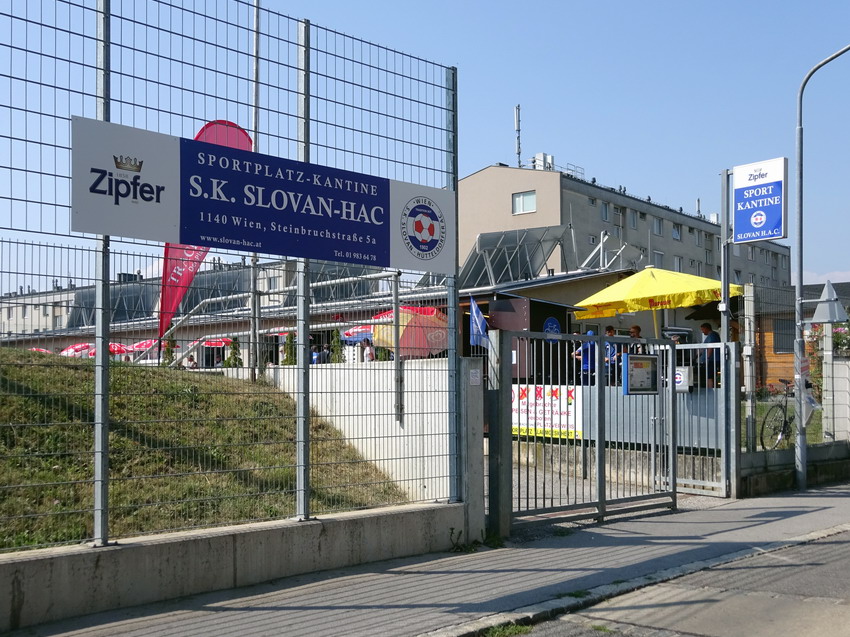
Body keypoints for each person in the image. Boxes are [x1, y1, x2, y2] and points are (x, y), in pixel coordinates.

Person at [698, 322, 721, 388]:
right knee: (710, 376)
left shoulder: (712, 336)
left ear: (706, 328)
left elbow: (710, 347)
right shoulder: (711, 336)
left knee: (710, 376)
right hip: (711, 360)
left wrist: (707, 358)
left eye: (702, 329)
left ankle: (710, 390)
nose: (702, 331)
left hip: (712, 360)